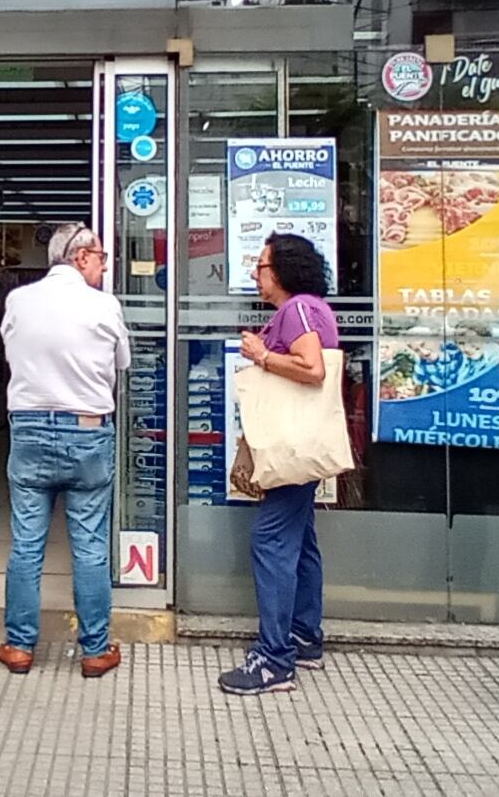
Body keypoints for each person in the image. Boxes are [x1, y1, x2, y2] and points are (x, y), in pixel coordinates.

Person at [0, 223, 129, 678]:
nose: (105, 266)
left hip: (30, 430)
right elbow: (122, 362)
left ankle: (19, 647)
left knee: (26, 544)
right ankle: (95, 651)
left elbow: (12, 352)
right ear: (81, 257)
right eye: (102, 257)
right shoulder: (104, 305)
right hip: (87, 431)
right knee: (90, 546)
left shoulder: (19, 300)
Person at [218, 233, 339, 696]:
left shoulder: (298, 310)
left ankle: (273, 660)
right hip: (301, 444)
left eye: (262, 265)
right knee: (301, 542)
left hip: (291, 446)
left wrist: (262, 356)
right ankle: (304, 637)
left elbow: (313, 369)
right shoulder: (310, 308)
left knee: (270, 541)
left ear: (284, 270)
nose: (255, 274)